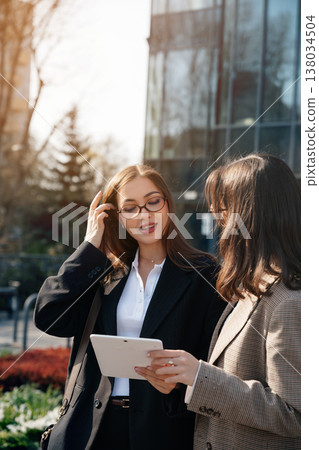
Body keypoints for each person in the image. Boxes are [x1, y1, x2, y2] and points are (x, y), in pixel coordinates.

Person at [34, 164, 225, 450]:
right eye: (131, 208)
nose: (144, 215)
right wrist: (89, 245)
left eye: (153, 202)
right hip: (92, 428)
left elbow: (217, 362)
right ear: (119, 217)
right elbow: (50, 317)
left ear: (167, 206)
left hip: (164, 428)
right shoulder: (103, 272)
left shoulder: (204, 273)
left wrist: (179, 386)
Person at [139, 153, 301, 449]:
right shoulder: (253, 288)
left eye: (224, 212)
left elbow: (296, 415)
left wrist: (201, 377)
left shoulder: (288, 302)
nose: (221, 226)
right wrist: (186, 380)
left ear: (251, 217)